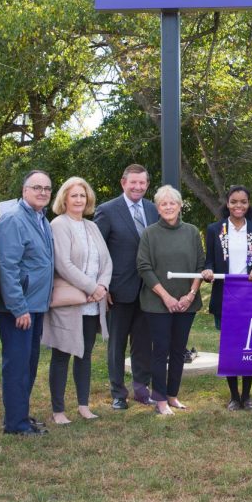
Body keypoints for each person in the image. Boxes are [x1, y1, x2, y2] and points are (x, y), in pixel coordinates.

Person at [43, 177, 112, 424]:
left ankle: (83, 406)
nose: (79, 200)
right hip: (70, 305)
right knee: (62, 355)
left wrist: (101, 287)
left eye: (82, 195)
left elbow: (107, 261)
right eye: (74, 195)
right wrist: (92, 287)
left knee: (85, 355)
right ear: (64, 199)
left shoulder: (91, 226)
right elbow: (63, 264)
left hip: (94, 303)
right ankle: (58, 410)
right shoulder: (58, 225)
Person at [0, 169, 55, 436]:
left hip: (36, 305)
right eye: (36, 187)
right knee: (17, 366)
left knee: (28, 365)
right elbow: (7, 266)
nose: (42, 192)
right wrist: (19, 308)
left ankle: (20, 415)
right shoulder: (13, 220)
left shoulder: (42, 219)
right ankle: (15, 425)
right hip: (18, 309)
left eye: (47, 188)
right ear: (24, 190)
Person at [136, 185, 205, 416]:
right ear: (157, 207)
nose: (168, 207)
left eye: (172, 203)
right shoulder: (149, 233)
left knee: (178, 351)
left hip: (187, 303)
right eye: (163, 203)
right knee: (161, 351)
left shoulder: (192, 232)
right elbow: (144, 267)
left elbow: (200, 266)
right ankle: (160, 399)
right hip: (157, 304)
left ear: (179, 205)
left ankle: (173, 396)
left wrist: (190, 295)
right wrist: (166, 297)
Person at [94, 164, 158, 411]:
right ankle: (118, 393)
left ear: (147, 185)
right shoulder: (107, 211)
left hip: (148, 290)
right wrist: (103, 286)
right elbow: (98, 252)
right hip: (118, 290)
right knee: (117, 344)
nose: (138, 187)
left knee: (143, 343)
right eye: (133, 183)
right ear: (123, 183)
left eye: (142, 183)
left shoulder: (153, 210)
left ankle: (142, 390)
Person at [201, 185, 252, 410]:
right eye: (234, 201)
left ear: (249, 204)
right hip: (224, 295)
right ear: (227, 203)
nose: (238, 206)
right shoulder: (214, 229)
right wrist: (208, 271)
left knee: (249, 345)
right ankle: (233, 396)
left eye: (243, 202)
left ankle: (247, 395)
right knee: (230, 346)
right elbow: (209, 260)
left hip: (251, 297)